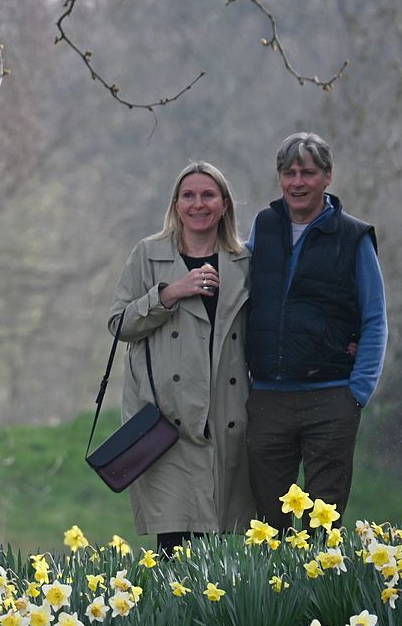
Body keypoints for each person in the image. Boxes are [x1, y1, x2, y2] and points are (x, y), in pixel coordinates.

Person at [107, 162, 257, 553]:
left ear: (224, 204)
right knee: (174, 545)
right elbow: (119, 324)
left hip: (228, 420)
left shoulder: (245, 261)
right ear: (176, 204)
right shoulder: (148, 254)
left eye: (208, 195)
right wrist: (170, 293)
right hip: (165, 423)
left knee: (223, 548)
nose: (198, 204)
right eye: (188, 196)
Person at [244, 132, 387, 527]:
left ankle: (321, 574)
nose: (297, 182)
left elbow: (375, 318)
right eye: (289, 173)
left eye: (307, 173)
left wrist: (357, 392)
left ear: (327, 176)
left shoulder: (354, 236)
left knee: (323, 526)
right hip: (268, 397)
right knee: (269, 524)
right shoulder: (263, 227)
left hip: (331, 397)